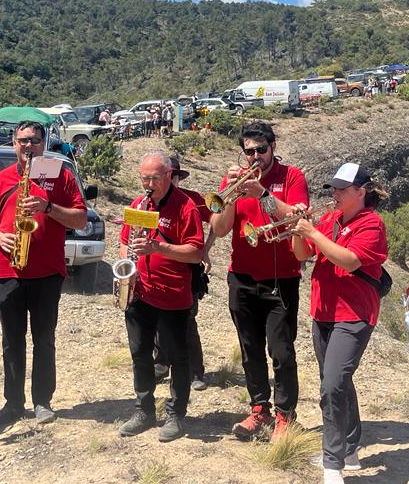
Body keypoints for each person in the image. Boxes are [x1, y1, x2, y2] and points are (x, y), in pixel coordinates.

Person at [0, 121, 87, 430]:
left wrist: (49, 207)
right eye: (23, 140)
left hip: (47, 272)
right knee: (11, 341)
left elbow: (79, 218)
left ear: (44, 144)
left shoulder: (58, 174)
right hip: (8, 271)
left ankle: (42, 401)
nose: (28, 146)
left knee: (44, 339)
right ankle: (12, 403)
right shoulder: (1, 179)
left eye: (35, 141)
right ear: (14, 144)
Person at [291, 163, 389, 484]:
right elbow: (302, 254)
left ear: (361, 193)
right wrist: (296, 228)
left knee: (331, 385)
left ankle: (333, 464)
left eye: (341, 190)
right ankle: (349, 448)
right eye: (332, 189)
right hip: (323, 311)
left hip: (354, 314)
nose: (333, 195)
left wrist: (313, 232)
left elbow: (348, 260)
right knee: (337, 381)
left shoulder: (372, 224)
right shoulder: (330, 220)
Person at [209, 121, 309, 441]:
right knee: (249, 349)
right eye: (248, 151)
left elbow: (295, 218)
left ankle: (285, 415)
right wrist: (235, 194)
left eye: (260, 150)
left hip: (282, 278)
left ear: (273, 147)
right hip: (241, 277)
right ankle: (259, 410)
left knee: (281, 351)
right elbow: (221, 228)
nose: (255, 157)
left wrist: (263, 193)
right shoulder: (234, 180)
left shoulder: (291, 177)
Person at [117, 151, 204, 443]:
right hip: (140, 291)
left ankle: (176, 414)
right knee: (140, 353)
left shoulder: (186, 207)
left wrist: (159, 249)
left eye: (154, 178)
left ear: (169, 176)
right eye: (144, 178)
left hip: (172, 295)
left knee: (178, 358)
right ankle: (143, 410)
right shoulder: (139, 204)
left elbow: (195, 252)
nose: (149, 184)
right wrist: (126, 268)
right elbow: (124, 241)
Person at [152, 156, 215, 391]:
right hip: (158, 271)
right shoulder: (151, 201)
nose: (172, 180)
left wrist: (206, 250)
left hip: (187, 269)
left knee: (187, 321)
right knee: (157, 319)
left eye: (174, 176)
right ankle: (160, 365)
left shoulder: (194, 200)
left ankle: (195, 371)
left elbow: (217, 221)